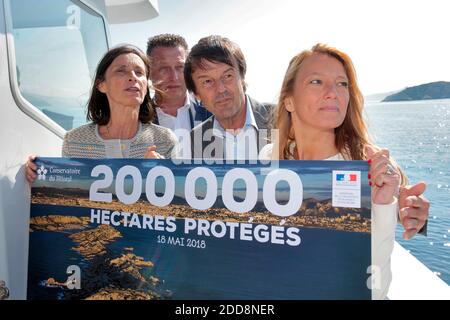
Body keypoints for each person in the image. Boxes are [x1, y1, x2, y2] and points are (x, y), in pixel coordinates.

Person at [259, 43, 430, 299]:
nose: (333, 93)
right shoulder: (268, 157)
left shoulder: (372, 166)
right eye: (316, 81)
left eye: (342, 84)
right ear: (289, 101)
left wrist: (399, 209)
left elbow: (370, 280)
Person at [26, 45, 177, 182]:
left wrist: (161, 174)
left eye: (139, 72)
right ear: (101, 85)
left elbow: (177, 203)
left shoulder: (165, 140)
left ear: (146, 85)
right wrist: (36, 172)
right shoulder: (73, 142)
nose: (133, 77)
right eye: (121, 71)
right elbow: (65, 192)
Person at [183, 35, 273, 160]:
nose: (220, 89)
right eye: (208, 81)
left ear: (242, 76)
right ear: (196, 94)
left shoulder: (284, 120)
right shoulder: (192, 144)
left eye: (228, 76)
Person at [146, 34, 212, 132]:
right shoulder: (138, 120)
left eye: (180, 67)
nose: (174, 77)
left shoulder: (212, 111)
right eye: (164, 68)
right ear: (149, 72)